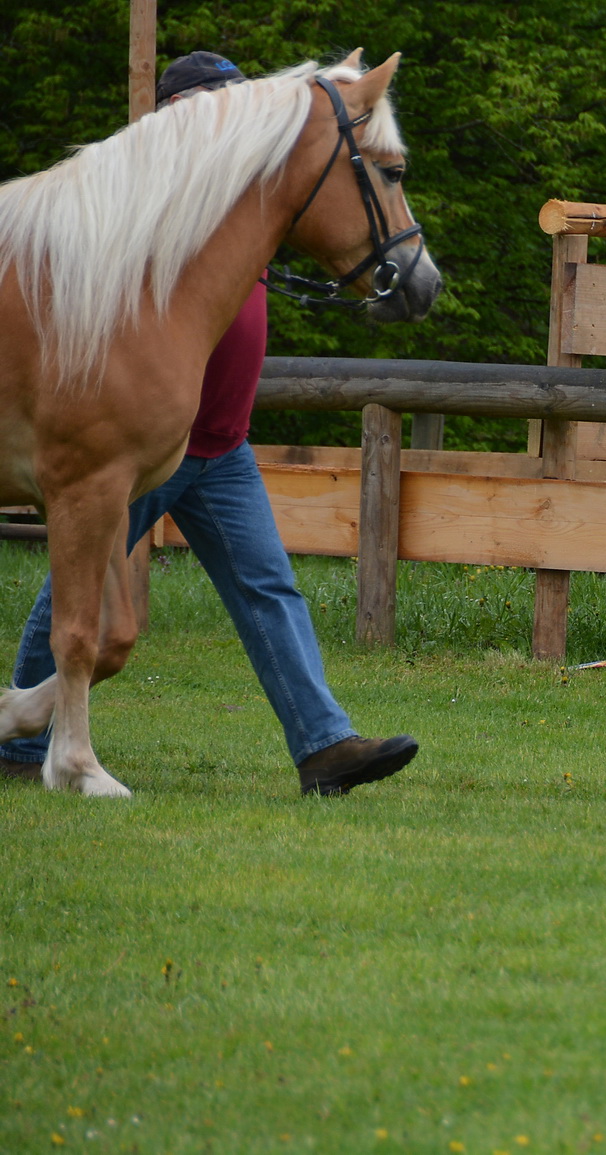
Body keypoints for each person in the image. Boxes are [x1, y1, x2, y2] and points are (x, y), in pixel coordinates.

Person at [0, 52, 418, 796]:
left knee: (266, 588)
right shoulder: (158, 219)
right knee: (93, 594)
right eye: (216, 104)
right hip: (147, 439)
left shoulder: (236, 218)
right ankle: (28, 741)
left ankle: (323, 745)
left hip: (219, 444)